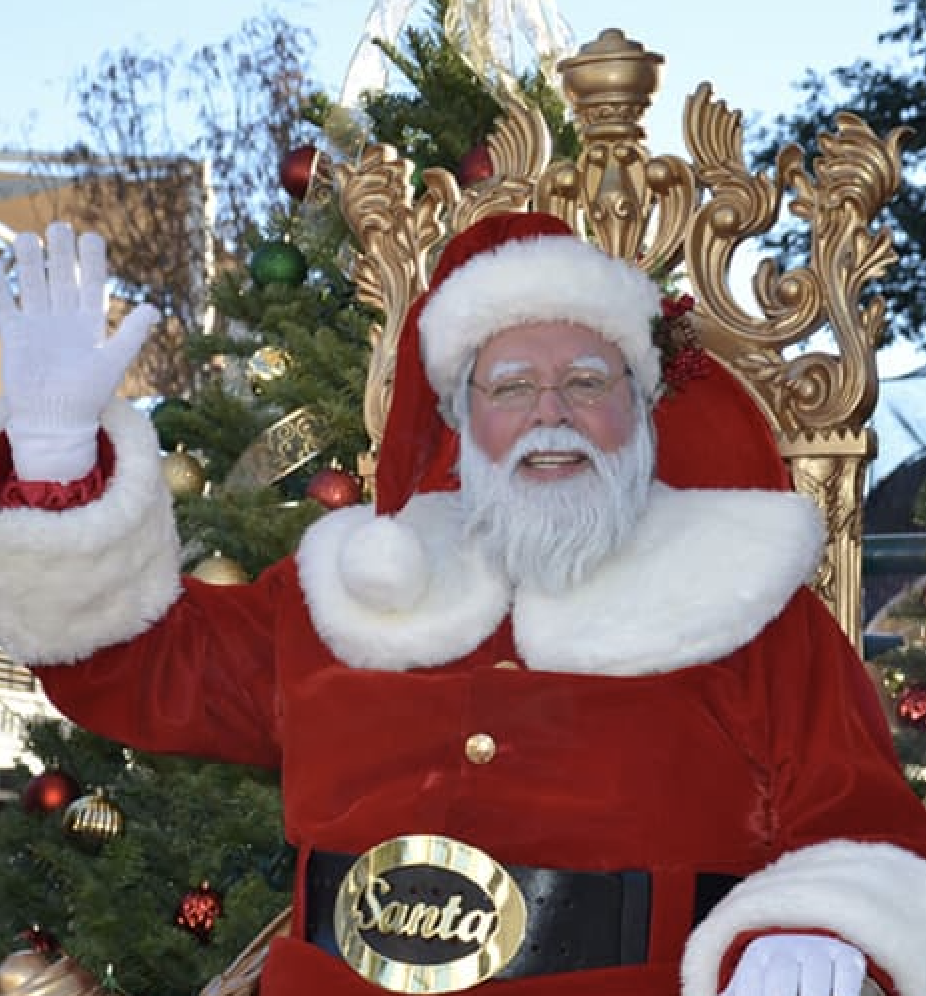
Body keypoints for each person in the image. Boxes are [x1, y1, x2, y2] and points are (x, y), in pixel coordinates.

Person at [0, 211, 924, 996]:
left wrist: (816, 926)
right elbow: (139, 667)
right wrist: (56, 471)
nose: (550, 412)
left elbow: (862, 820)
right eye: (512, 386)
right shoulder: (352, 588)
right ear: (459, 417)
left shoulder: (746, 602)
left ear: (641, 407)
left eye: (589, 383)